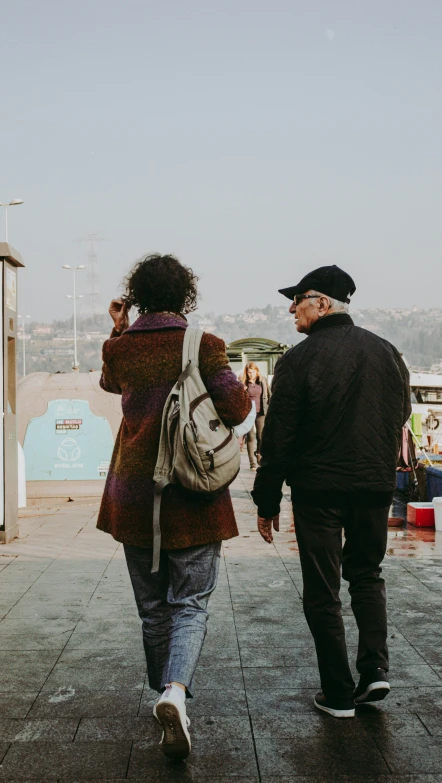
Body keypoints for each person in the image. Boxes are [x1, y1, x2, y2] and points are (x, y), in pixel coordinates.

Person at [97, 254, 251, 759]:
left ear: (138, 293)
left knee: (151, 608)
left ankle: (164, 693)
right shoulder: (203, 344)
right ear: (185, 294)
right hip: (192, 494)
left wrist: (119, 330)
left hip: (133, 494)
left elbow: (109, 384)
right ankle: (175, 693)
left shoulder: (120, 350)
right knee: (191, 602)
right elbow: (236, 409)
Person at [252, 265, 411, 718]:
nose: (290, 307)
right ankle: (376, 670)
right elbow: (401, 413)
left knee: (323, 592)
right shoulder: (387, 352)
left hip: (319, 492)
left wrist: (267, 502)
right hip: (375, 488)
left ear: (321, 304)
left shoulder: (299, 360)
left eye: (298, 298)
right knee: (367, 575)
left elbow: (277, 440)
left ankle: (339, 694)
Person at [240, 361, 271, 469]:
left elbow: (269, 395)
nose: (251, 374)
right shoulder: (243, 383)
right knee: (251, 436)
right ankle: (252, 463)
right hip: (248, 413)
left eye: (253, 372)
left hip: (261, 412)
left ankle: (258, 454)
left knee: (260, 436)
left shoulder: (262, 381)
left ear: (257, 371)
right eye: (249, 372)